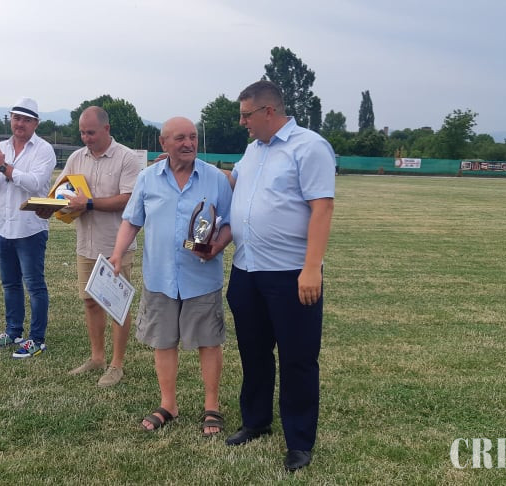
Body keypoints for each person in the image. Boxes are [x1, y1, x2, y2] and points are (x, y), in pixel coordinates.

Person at [223, 80, 335, 472]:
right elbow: (232, 184)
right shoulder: (253, 150)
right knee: (253, 353)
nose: (242, 122)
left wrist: (311, 268)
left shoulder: (310, 147)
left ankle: (299, 441)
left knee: (297, 358)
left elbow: (322, 208)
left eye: (246, 115)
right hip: (247, 269)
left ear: (268, 111)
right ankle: (256, 421)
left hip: (291, 273)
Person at [110, 117, 232, 436]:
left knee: (209, 342)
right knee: (163, 343)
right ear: (163, 143)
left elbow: (230, 223)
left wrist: (217, 246)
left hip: (201, 278)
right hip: (160, 278)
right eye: (180, 138)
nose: (188, 143)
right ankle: (168, 404)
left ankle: (212, 405)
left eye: (192, 137)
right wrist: (118, 253)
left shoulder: (215, 179)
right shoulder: (147, 178)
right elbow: (132, 220)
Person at [38, 106, 144, 386]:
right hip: (85, 244)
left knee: (117, 304)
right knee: (90, 301)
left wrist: (88, 203)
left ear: (107, 129)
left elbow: (128, 200)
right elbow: (62, 193)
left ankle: (117, 364)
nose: (86, 138)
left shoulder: (126, 158)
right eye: (82, 133)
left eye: (91, 133)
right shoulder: (76, 158)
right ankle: (97, 357)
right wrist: (49, 206)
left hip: (116, 244)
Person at [0, 97, 56, 358]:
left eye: (26, 119)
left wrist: (3, 166)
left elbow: (34, 183)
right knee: (10, 283)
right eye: (16, 118)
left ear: (36, 123)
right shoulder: (1, 147)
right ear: (10, 119)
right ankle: (13, 331)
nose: (19, 123)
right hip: (3, 226)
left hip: (30, 228)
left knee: (34, 285)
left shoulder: (44, 150)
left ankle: (37, 339)